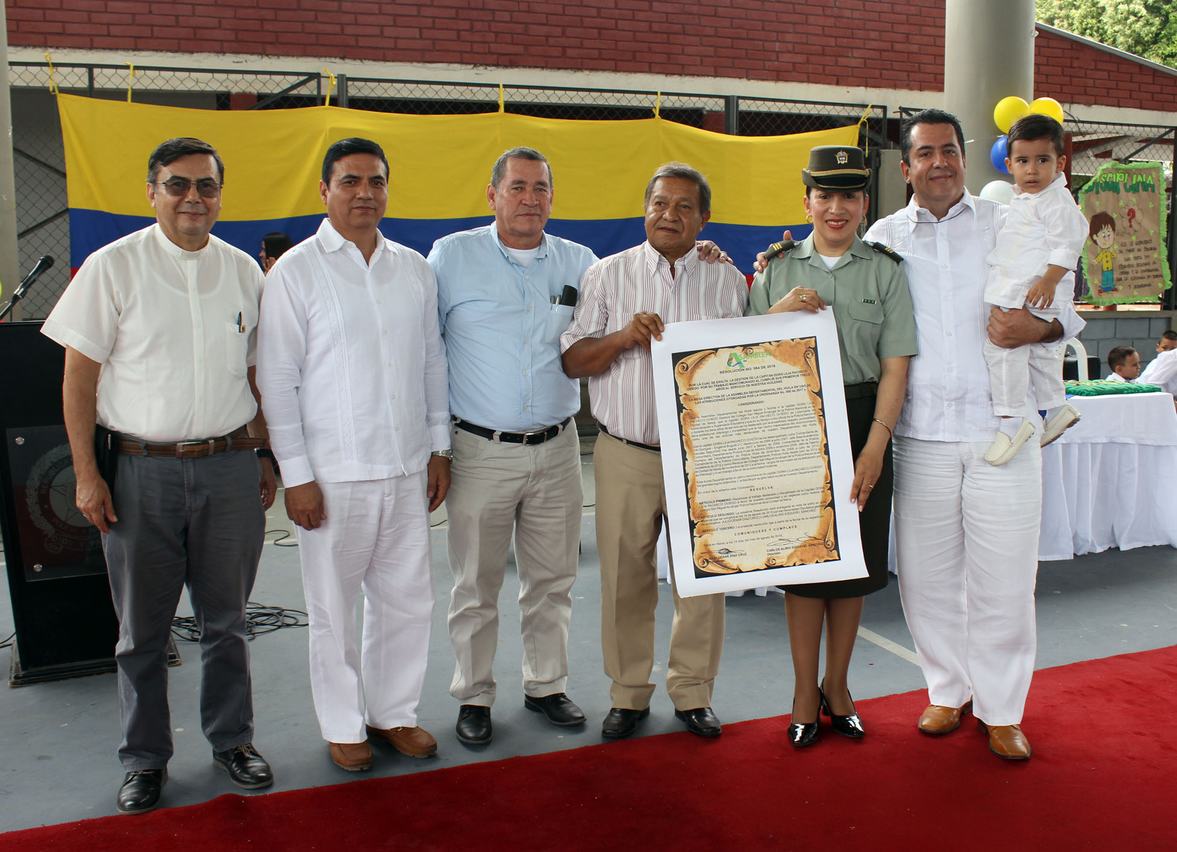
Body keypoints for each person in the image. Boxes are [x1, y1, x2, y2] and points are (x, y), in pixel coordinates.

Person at [41, 137, 276, 814]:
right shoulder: (113, 268)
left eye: (205, 186)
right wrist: (87, 476)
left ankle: (233, 740)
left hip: (230, 469)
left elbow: (257, 375)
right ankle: (145, 758)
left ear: (220, 196)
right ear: (152, 192)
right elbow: (77, 379)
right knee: (142, 633)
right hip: (141, 472)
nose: (192, 199)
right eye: (177, 185)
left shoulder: (244, 274)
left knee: (228, 622)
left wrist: (262, 453)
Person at [862, 109, 1084, 761]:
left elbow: (1066, 314)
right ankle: (946, 688)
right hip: (921, 434)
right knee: (928, 578)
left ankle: (1000, 708)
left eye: (949, 151)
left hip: (1003, 434)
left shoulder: (1008, 218)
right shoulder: (881, 237)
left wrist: (1036, 331)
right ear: (904, 167)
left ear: (967, 159)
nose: (939, 162)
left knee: (1005, 577)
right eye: (924, 153)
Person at [256, 138, 450, 773]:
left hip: (404, 468)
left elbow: (431, 363)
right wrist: (297, 476)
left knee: (406, 601)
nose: (364, 192)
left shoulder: (412, 269)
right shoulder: (297, 271)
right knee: (333, 611)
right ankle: (343, 724)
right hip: (332, 474)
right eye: (350, 182)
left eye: (376, 181)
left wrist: (438, 448)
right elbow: (277, 378)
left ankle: (393, 712)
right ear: (324, 190)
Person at [561, 163, 747, 740]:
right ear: (645, 209)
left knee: (703, 581)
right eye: (659, 204)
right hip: (626, 451)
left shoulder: (728, 281)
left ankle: (693, 692)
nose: (669, 215)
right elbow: (573, 360)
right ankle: (628, 693)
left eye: (684, 207)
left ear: (705, 218)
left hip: (701, 454)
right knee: (624, 579)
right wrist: (623, 337)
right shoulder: (606, 275)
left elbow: (749, 360)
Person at [746, 146, 916, 748]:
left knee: (856, 566)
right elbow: (746, 362)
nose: (837, 208)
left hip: (866, 419)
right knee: (803, 563)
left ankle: (838, 687)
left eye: (849, 196)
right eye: (825, 196)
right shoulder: (777, 270)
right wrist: (776, 312)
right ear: (807, 202)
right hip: (795, 423)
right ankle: (801, 693)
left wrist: (875, 447)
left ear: (865, 203)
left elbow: (895, 368)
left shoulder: (886, 270)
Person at [427, 148, 596, 745]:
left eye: (541, 189)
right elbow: (428, 353)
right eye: (518, 187)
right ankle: (473, 695)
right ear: (491, 194)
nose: (530, 199)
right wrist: (435, 447)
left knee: (552, 580)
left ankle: (545, 684)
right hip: (478, 450)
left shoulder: (580, 262)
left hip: (558, 449)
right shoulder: (452, 257)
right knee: (475, 584)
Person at [982, 115, 1087, 466]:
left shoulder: (1056, 201)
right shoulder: (1025, 201)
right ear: (1009, 164)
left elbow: (1070, 242)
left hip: (1031, 290)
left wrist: (1049, 280)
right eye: (1023, 161)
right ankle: (1055, 407)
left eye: (1042, 160)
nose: (1032, 170)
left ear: (1060, 163)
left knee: (1003, 350)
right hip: (1029, 288)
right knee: (1040, 356)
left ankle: (1011, 422)